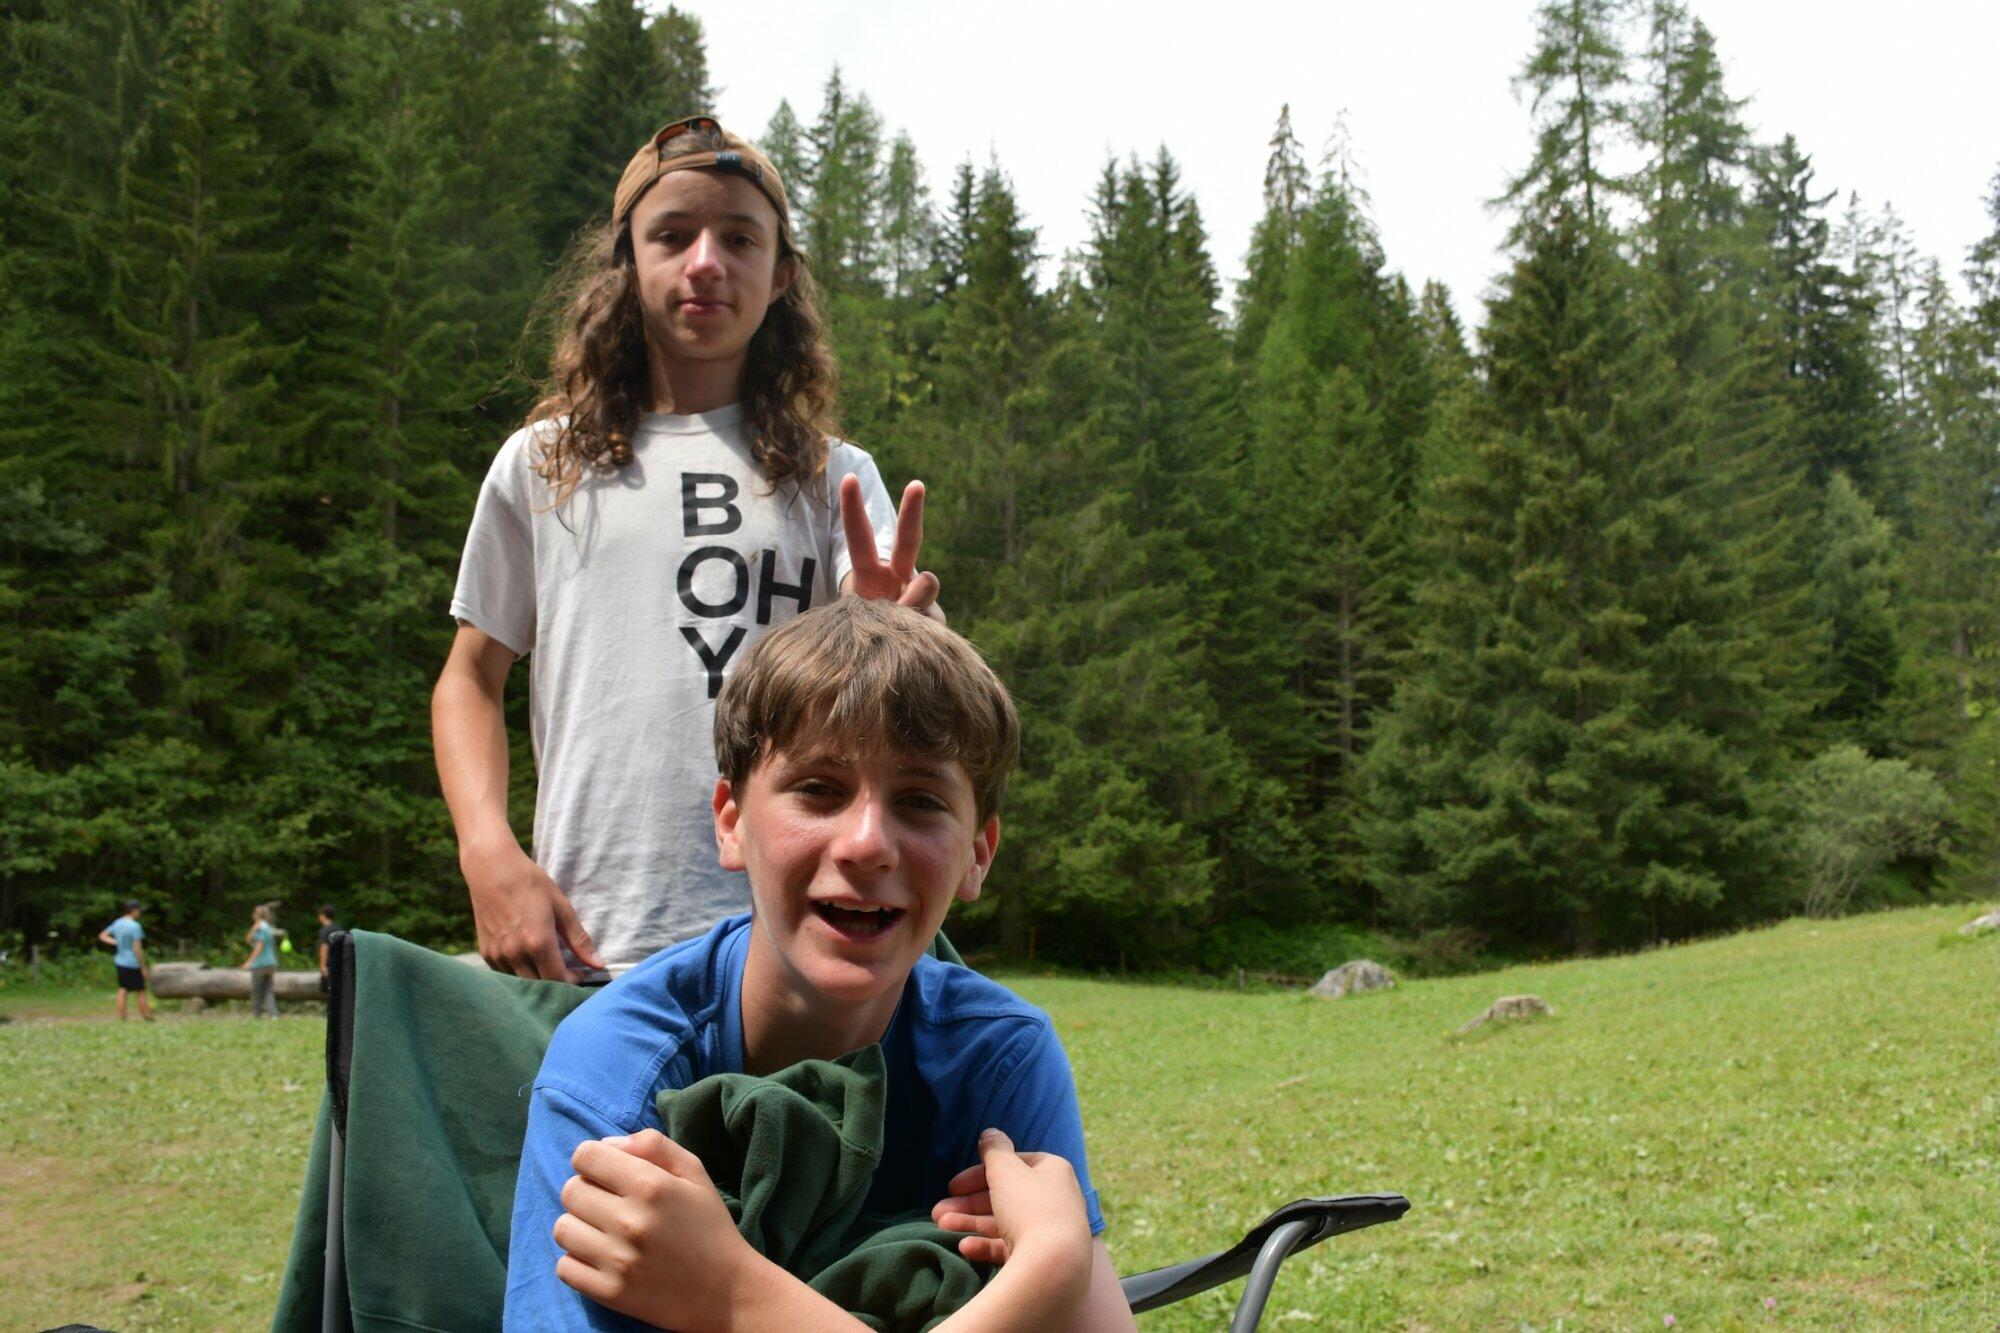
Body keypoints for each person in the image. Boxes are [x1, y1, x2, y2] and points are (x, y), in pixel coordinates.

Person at [504, 599, 1134, 1331]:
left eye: (920, 800)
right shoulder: (617, 1072)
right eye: (818, 790)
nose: (867, 843)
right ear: (732, 822)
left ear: (977, 854)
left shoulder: (1001, 1058)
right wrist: (1047, 1270)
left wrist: (734, 1296)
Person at [435, 115, 940, 985]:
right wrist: (487, 853)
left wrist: (897, 637)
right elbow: (470, 679)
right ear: (626, 264)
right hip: (586, 943)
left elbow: (910, 693)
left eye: (740, 238)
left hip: (793, 952)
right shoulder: (544, 467)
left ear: (781, 275)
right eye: (672, 235)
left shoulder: (835, 480)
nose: (706, 262)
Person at [96, 900, 152, 1021]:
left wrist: (117, 942)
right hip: (133, 963)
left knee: (123, 989)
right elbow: (137, 949)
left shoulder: (118, 923)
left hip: (120, 961)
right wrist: (143, 967)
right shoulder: (135, 926)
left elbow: (102, 936)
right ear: (134, 910)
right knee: (140, 990)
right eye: (139, 910)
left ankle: (122, 1017)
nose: (140, 913)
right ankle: (147, 1017)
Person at [241, 904, 281, 1019]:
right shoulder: (266, 927)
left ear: (256, 915)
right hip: (271, 962)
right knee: (268, 990)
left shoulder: (261, 928)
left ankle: (256, 1014)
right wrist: (253, 928)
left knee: (256, 990)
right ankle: (273, 1014)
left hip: (260, 963)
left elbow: (259, 946)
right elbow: (248, 940)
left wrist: (248, 962)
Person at [315, 905, 339, 994]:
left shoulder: (325, 930)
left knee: (328, 994)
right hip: (339, 965)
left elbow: (324, 947)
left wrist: (323, 966)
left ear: (323, 915)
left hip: (329, 966)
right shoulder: (338, 928)